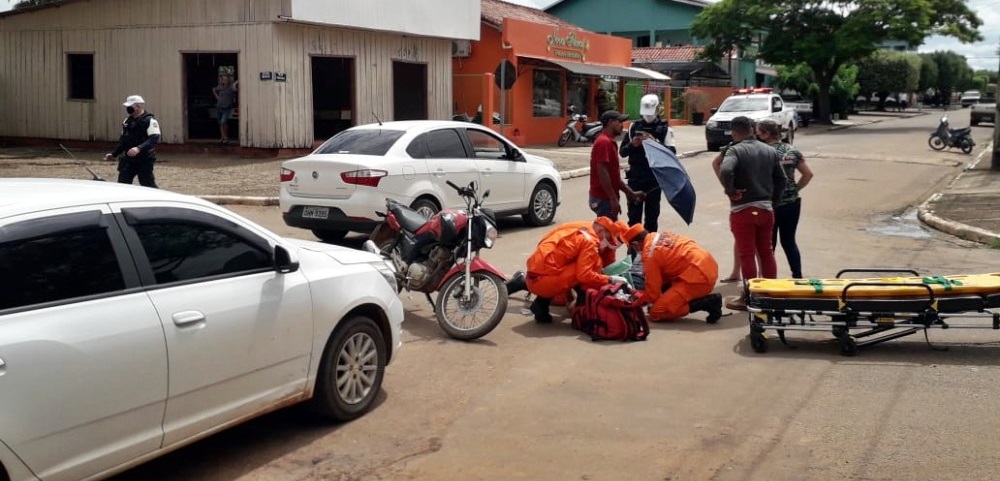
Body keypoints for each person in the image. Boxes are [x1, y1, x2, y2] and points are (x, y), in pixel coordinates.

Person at [718, 116, 786, 310]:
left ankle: (749, 296)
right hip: (766, 209)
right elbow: (782, 179)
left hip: (743, 210)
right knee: (766, 252)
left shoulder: (735, 150)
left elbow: (725, 170)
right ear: (752, 130)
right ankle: (770, 293)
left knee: (747, 254)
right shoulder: (769, 150)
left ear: (734, 133)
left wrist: (731, 190)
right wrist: (773, 201)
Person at [508, 217, 629, 324]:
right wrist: (610, 280)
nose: (618, 243)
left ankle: (534, 295)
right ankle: (575, 306)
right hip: (545, 274)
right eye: (618, 239)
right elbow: (586, 274)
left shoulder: (590, 230)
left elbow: (606, 264)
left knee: (587, 269)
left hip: (538, 270)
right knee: (588, 270)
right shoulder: (591, 240)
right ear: (603, 231)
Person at [622, 224, 722, 323]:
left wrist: (634, 297)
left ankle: (707, 303)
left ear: (636, 244)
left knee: (657, 312)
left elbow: (652, 295)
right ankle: (674, 298)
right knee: (663, 288)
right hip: (708, 266)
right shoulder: (659, 236)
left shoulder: (649, 254)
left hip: (699, 278)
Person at [755, 119, 814, 279]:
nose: (757, 136)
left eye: (759, 133)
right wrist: (794, 189)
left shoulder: (762, 152)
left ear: (766, 134)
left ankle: (768, 279)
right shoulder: (792, 150)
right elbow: (808, 174)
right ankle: (797, 276)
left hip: (770, 204)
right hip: (792, 203)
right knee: (789, 241)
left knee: (768, 244)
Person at [619, 94, 675, 235]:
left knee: (651, 220)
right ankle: (633, 248)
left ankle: (649, 247)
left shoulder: (664, 129)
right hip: (635, 179)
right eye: (645, 114)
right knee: (634, 221)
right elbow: (623, 152)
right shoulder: (633, 127)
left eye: (650, 113)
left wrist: (654, 142)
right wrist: (632, 144)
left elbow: (671, 154)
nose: (648, 117)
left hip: (654, 181)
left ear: (657, 109)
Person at [589, 110, 644, 220]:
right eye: (620, 122)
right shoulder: (604, 142)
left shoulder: (609, 142)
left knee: (611, 228)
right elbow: (602, 172)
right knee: (609, 229)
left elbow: (614, 176)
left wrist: (631, 193)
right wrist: (613, 199)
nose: (622, 125)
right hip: (603, 199)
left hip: (606, 198)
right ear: (611, 122)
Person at [105, 95, 161, 188]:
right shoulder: (127, 121)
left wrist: (139, 148)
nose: (128, 109)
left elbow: (154, 139)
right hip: (128, 159)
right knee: (123, 183)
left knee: (147, 183)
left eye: (131, 106)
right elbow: (123, 141)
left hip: (144, 158)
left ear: (139, 106)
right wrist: (114, 154)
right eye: (127, 107)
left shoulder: (149, 120)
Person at [711, 143, 742, 284]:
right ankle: (737, 272)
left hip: (748, 197)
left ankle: (757, 277)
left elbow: (717, 164)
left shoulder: (733, 146)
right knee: (743, 238)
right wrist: (728, 187)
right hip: (746, 196)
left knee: (748, 239)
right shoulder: (733, 146)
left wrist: (728, 187)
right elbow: (717, 164)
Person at [212, 73, 238, 144]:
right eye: (223, 79)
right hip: (219, 106)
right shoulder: (220, 87)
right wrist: (217, 97)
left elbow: (235, 88)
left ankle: (226, 137)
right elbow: (213, 89)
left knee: (223, 121)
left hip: (226, 107)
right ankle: (223, 138)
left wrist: (236, 82)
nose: (224, 80)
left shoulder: (231, 87)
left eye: (226, 79)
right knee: (221, 123)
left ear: (228, 80)